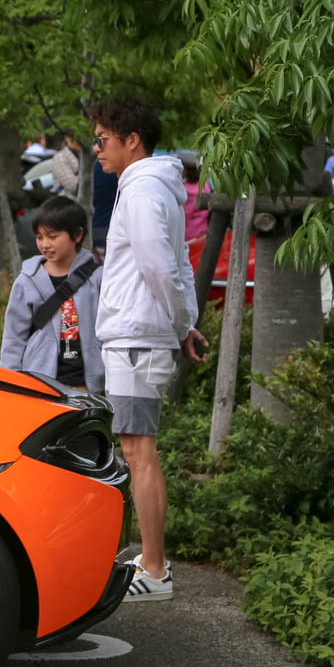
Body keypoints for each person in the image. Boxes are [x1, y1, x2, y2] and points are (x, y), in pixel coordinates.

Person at [91, 96, 205, 602]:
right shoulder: (156, 188)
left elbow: (160, 266)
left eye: (103, 140)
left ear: (131, 139)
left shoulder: (140, 192)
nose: (97, 149)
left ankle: (155, 570)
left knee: (139, 452)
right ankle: (152, 559)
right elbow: (177, 263)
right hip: (143, 332)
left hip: (135, 336)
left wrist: (180, 322)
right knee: (140, 450)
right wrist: (185, 324)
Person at [0, 196, 106, 396]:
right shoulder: (27, 281)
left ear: (77, 235)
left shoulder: (97, 278)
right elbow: (13, 338)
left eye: (53, 236)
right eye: (40, 237)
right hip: (39, 385)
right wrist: (10, 383)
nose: (45, 244)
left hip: (87, 386)